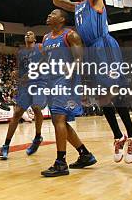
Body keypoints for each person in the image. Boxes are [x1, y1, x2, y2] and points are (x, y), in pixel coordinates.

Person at [51, 0, 132, 164]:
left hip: (104, 47)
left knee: (114, 91)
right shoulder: (76, 7)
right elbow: (57, 0)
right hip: (90, 50)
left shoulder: (96, 0)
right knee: (101, 97)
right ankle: (119, 136)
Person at [38, 10, 97, 176]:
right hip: (52, 81)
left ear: (62, 19)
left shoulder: (71, 36)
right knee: (61, 121)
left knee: (58, 119)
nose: (49, 15)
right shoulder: (46, 38)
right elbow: (45, 61)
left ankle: (61, 163)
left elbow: (79, 60)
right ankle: (85, 154)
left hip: (66, 81)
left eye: (53, 13)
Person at [0, 31, 47, 160]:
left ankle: (37, 137)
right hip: (25, 85)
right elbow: (22, 69)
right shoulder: (21, 52)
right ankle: (6, 145)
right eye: (26, 34)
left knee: (36, 107)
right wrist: (17, 73)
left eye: (31, 33)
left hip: (40, 82)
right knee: (17, 113)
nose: (28, 34)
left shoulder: (41, 47)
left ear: (35, 38)